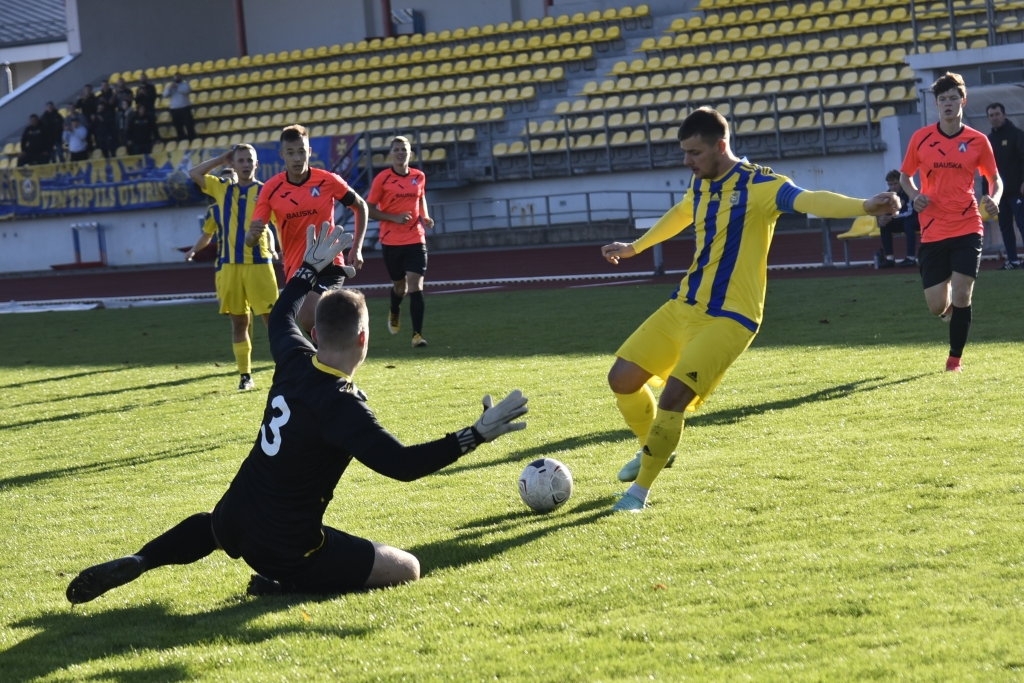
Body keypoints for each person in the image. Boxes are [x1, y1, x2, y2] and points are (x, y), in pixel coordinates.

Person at [65, 224, 529, 604]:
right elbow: (402, 466)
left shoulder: (292, 355)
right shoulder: (342, 407)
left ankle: (144, 560)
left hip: (236, 514)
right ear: (364, 340)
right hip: (286, 545)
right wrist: (476, 434)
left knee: (212, 526)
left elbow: (283, 310)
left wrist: (310, 270)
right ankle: (282, 582)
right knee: (407, 567)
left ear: (315, 330)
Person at [600, 107, 900, 512]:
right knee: (621, 378)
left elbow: (810, 200)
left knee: (673, 398)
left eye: (694, 153)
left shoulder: (761, 185)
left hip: (731, 318)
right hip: (685, 303)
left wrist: (864, 206)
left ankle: (638, 494)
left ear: (721, 146)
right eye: (685, 152)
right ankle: (654, 448)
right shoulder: (702, 183)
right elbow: (682, 214)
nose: (687, 161)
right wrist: (635, 247)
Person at [900, 72, 1001, 373]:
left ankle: (954, 361)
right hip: (932, 229)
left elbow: (994, 179)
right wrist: (915, 195)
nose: (947, 103)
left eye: (952, 98)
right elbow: (905, 177)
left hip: (968, 225)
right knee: (936, 306)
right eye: (942, 99)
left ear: (963, 102)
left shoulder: (978, 140)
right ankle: (949, 313)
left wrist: (994, 197)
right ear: (936, 104)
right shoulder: (921, 138)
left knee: (962, 294)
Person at [251, 124, 368, 332]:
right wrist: (253, 235)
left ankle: (332, 355)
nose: (297, 158)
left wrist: (356, 247)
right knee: (313, 323)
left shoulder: (327, 180)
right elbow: (253, 236)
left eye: (301, 151)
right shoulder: (271, 188)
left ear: (310, 152)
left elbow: (360, 206)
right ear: (282, 155)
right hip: (296, 267)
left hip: (329, 262)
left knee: (308, 316)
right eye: (291, 153)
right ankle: (336, 351)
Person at [187, 145, 279, 391]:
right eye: (241, 160)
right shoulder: (222, 189)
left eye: (250, 160)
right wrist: (221, 158)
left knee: (275, 322)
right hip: (230, 267)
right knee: (239, 323)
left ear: (256, 164)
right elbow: (194, 173)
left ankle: (286, 368)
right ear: (235, 165)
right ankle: (245, 376)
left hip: (259, 264)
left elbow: (278, 225)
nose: (246, 164)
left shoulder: (266, 191)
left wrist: (278, 249)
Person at [367, 136, 435, 347]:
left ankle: (417, 335)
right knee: (400, 288)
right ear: (391, 153)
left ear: (410, 153)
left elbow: (420, 197)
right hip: (391, 241)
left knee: (416, 285)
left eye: (404, 149)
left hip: (416, 237)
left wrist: (425, 216)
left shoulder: (419, 176)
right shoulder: (382, 179)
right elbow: (369, 209)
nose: (400, 153)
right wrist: (393, 218)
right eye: (396, 149)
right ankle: (394, 310)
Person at [985, 103, 1024, 269]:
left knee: (1022, 224)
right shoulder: (988, 140)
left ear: (1004, 114)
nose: (995, 118)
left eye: (997, 114)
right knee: (1005, 227)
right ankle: (1013, 260)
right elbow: (985, 168)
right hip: (999, 194)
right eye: (991, 115)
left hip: (1017, 191)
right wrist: (988, 192)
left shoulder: (1017, 135)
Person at [877, 169, 918, 268]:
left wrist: (891, 217)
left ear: (901, 182)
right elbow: (884, 211)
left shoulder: (908, 192)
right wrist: (882, 218)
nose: (893, 187)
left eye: (895, 183)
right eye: (890, 184)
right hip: (900, 220)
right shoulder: (888, 195)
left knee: (909, 223)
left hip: (916, 220)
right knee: (885, 226)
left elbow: (910, 212)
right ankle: (890, 258)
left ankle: (911, 258)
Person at [164, 74, 195, 141]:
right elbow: (165, 95)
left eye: (178, 76)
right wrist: (170, 89)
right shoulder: (170, 86)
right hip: (174, 109)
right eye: (175, 77)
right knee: (178, 126)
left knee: (189, 125)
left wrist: (177, 87)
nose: (176, 78)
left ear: (181, 77)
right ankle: (182, 140)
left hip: (185, 107)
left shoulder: (185, 85)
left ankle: (192, 139)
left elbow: (187, 91)